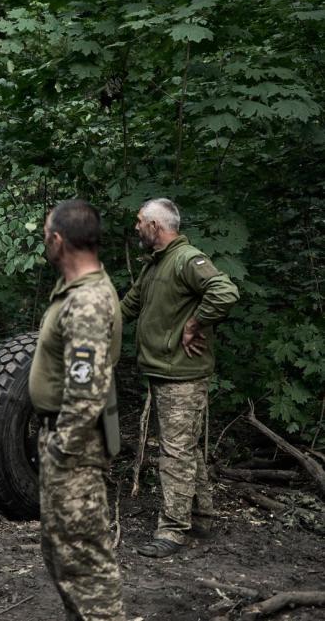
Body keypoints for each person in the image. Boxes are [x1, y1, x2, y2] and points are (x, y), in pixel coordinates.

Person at [121, 198, 239, 558]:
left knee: (174, 454)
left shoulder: (188, 259)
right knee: (184, 447)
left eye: (140, 222)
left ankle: (172, 531)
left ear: (156, 226)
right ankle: (201, 516)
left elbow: (226, 292)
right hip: (163, 370)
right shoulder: (155, 265)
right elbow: (129, 306)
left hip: (182, 375)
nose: (136, 227)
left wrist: (194, 323)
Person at [30, 199, 125, 620]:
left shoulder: (87, 302)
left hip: (76, 450)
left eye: (46, 234)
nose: (44, 242)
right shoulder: (76, 293)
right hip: (67, 443)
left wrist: (61, 451)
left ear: (58, 240)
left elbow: (86, 392)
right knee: (63, 555)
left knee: (85, 565)